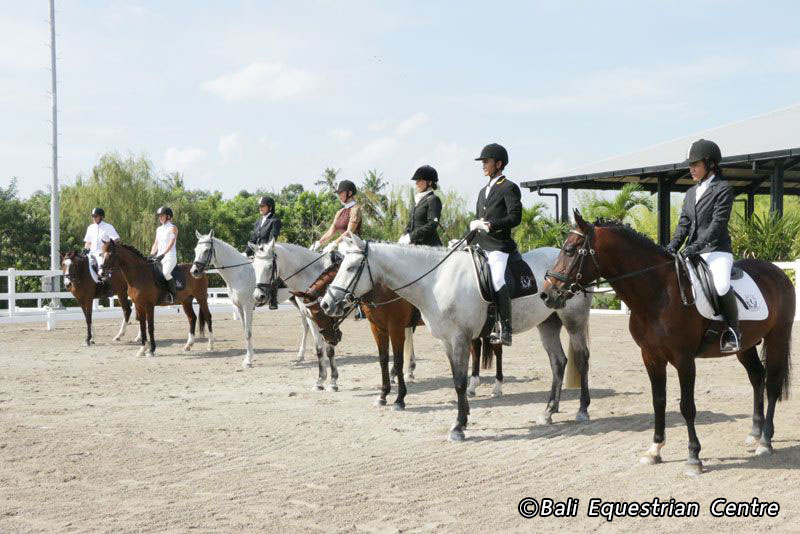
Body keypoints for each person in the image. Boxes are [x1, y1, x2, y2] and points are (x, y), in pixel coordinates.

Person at [666, 139, 739, 351]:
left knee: (722, 285)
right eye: (690, 166)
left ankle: (733, 331)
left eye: (695, 165)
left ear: (711, 165)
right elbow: (684, 224)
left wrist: (695, 246)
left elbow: (718, 224)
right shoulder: (690, 193)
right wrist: (672, 246)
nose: (691, 170)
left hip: (716, 251)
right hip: (693, 252)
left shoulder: (723, 189)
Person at [470, 143, 522, 346]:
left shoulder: (509, 187)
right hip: (480, 244)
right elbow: (478, 222)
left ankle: (506, 328)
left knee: (498, 278)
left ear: (498, 164)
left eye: (486, 161)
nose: (483, 165)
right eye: (482, 162)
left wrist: (491, 225)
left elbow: (515, 217)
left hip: (498, 245)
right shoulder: (483, 191)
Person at [311, 180, 363, 253]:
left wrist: (334, 243)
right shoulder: (340, 212)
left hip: (354, 249)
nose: (339, 196)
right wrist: (318, 243)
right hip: (342, 247)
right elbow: (331, 232)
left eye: (341, 193)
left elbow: (349, 232)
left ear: (349, 193)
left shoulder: (355, 209)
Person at [398, 165, 443, 247]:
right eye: (416, 180)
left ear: (429, 182)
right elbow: (411, 223)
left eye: (419, 180)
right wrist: (405, 235)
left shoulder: (433, 200)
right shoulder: (416, 201)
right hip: (415, 245)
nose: (416, 183)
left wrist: (411, 237)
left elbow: (432, 224)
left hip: (429, 246)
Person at [82, 207, 121, 290]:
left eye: (95, 216)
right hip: (91, 253)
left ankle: (105, 286)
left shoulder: (108, 227)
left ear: (101, 216)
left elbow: (117, 240)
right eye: (93, 216)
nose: (93, 218)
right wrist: (85, 249)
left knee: (101, 267)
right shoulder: (90, 228)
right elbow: (88, 242)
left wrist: (109, 245)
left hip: (102, 253)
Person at [149, 206, 179, 304]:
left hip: (170, 256)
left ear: (169, 216)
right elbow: (156, 243)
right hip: (158, 257)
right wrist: (151, 254)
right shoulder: (159, 229)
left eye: (162, 215)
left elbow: (171, 242)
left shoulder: (173, 228)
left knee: (166, 273)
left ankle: (173, 295)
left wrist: (163, 254)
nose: (160, 217)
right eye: (159, 216)